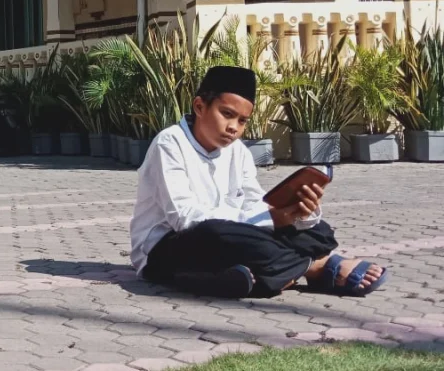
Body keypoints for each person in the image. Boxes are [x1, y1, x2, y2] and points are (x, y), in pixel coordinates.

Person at [129, 65, 388, 299]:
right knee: (215, 232)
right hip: (167, 248)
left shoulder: (237, 150)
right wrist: (270, 221)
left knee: (318, 231)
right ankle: (317, 268)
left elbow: (254, 203)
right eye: (227, 114)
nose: (234, 127)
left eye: (242, 121)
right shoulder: (170, 143)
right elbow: (185, 218)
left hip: (232, 238)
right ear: (199, 107)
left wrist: (295, 213)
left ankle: (250, 277)